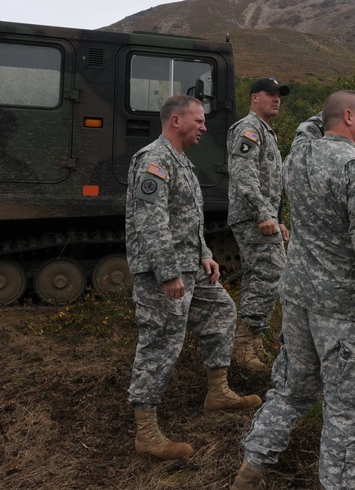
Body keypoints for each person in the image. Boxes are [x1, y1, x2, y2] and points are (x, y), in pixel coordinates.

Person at [231, 86, 355, 490]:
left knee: (291, 390)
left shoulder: (300, 153)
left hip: (297, 299)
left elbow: (308, 126)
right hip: (342, 309)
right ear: (347, 117)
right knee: (348, 408)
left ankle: (251, 468)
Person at [126, 94, 261, 461]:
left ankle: (217, 393)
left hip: (192, 268)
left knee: (222, 313)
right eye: (198, 121)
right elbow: (151, 222)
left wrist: (204, 254)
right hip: (164, 273)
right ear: (175, 121)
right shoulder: (153, 160)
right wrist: (168, 273)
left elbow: (187, 218)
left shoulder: (181, 161)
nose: (204, 127)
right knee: (160, 344)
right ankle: (146, 432)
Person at [227, 77, 291, 372]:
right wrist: (264, 214)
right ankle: (244, 342)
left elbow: (268, 182)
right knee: (271, 272)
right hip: (253, 217)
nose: (276, 99)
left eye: (279, 95)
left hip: (262, 216)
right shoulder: (249, 129)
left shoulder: (265, 131)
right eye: (270, 94)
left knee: (259, 275)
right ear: (255, 98)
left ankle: (250, 341)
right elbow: (244, 174)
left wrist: (276, 218)